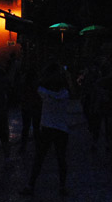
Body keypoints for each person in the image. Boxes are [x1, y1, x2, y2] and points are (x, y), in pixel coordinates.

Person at [20, 63, 71, 197]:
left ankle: (30, 185)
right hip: (62, 129)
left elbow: (36, 84)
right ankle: (62, 186)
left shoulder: (44, 93)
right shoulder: (65, 94)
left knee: (39, 158)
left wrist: (45, 74)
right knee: (61, 159)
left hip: (47, 128)